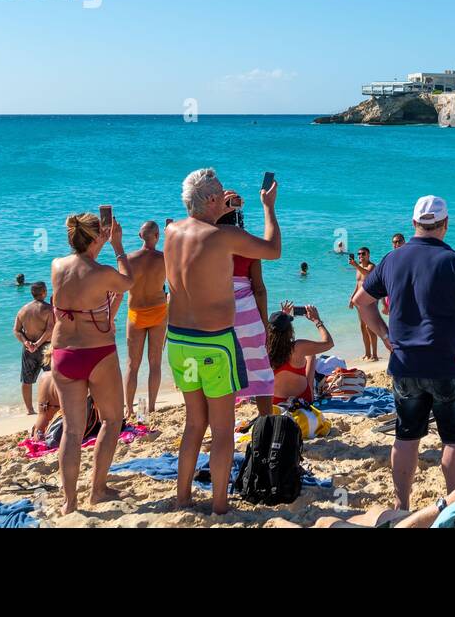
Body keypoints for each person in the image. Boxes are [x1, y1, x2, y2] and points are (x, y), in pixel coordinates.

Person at [351, 195, 455, 510]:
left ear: (414, 223)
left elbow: (362, 301)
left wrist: (385, 335)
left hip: (406, 365)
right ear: (444, 225)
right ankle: (454, 505)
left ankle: (402, 505)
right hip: (450, 365)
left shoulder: (392, 259)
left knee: (405, 437)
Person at [165, 168, 281, 516]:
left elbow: (196, 247)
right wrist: (268, 207)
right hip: (215, 343)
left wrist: (223, 211)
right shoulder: (224, 236)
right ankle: (219, 505)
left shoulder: (171, 231)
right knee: (221, 429)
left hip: (178, 340)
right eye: (219, 192)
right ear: (213, 199)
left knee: (193, 424)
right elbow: (272, 249)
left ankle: (183, 497)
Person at [49, 211, 134, 512]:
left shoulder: (57, 265)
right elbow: (128, 282)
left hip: (62, 353)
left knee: (72, 431)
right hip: (97, 352)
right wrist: (119, 246)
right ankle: (96, 490)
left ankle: (69, 502)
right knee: (111, 420)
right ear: (98, 237)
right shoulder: (103, 272)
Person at [217, 199, 277, 415]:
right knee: (260, 370)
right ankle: (266, 420)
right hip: (248, 317)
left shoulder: (207, 243)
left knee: (222, 373)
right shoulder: (248, 245)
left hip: (218, 317)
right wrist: (264, 325)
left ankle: (222, 426)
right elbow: (259, 289)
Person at [124, 220, 168, 420]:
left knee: (133, 364)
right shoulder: (165, 258)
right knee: (155, 362)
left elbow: (118, 289)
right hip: (158, 311)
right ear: (157, 236)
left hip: (136, 313)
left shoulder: (129, 259)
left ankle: (129, 409)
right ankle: (151, 406)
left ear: (140, 236)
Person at [267, 303, 334, 406]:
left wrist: (283, 316)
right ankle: (311, 387)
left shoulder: (265, 348)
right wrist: (317, 321)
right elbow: (329, 343)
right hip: (303, 399)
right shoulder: (298, 347)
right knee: (310, 355)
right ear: (290, 330)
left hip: (275, 401)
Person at [13, 281, 54, 415]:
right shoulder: (48, 309)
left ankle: (30, 410)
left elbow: (17, 331)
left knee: (27, 380)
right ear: (44, 292)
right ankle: (51, 406)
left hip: (28, 349)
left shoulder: (23, 310)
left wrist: (26, 342)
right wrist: (38, 344)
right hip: (46, 348)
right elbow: (50, 330)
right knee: (52, 377)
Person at [348, 246, 379, 361]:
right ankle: (367, 354)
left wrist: (356, 265)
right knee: (362, 327)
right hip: (359, 300)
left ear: (368, 255)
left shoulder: (372, 266)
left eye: (363, 254)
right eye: (359, 254)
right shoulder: (359, 267)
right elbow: (358, 284)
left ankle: (375, 355)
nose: (360, 256)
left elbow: (367, 274)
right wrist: (352, 298)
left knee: (370, 327)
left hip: (370, 300)